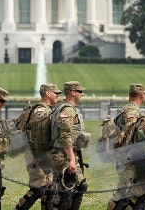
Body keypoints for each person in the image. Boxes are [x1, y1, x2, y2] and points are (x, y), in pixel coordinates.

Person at [15, 83, 62, 210]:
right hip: (37, 156)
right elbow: (36, 136)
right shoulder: (41, 111)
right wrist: (38, 156)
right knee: (38, 189)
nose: (58, 95)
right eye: (55, 93)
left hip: (44, 156)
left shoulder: (48, 109)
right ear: (47, 93)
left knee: (49, 189)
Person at [49, 81, 90, 210]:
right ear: (73, 92)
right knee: (69, 188)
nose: (82, 94)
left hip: (63, 153)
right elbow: (65, 136)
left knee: (71, 187)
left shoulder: (63, 108)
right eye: (80, 91)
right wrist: (71, 159)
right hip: (63, 155)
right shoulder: (68, 110)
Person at [108, 84, 145, 210]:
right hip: (130, 159)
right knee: (125, 195)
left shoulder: (123, 110)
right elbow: (129, 136)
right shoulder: (133, 113)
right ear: (141, 95)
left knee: (139, 194)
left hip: (123, 157)